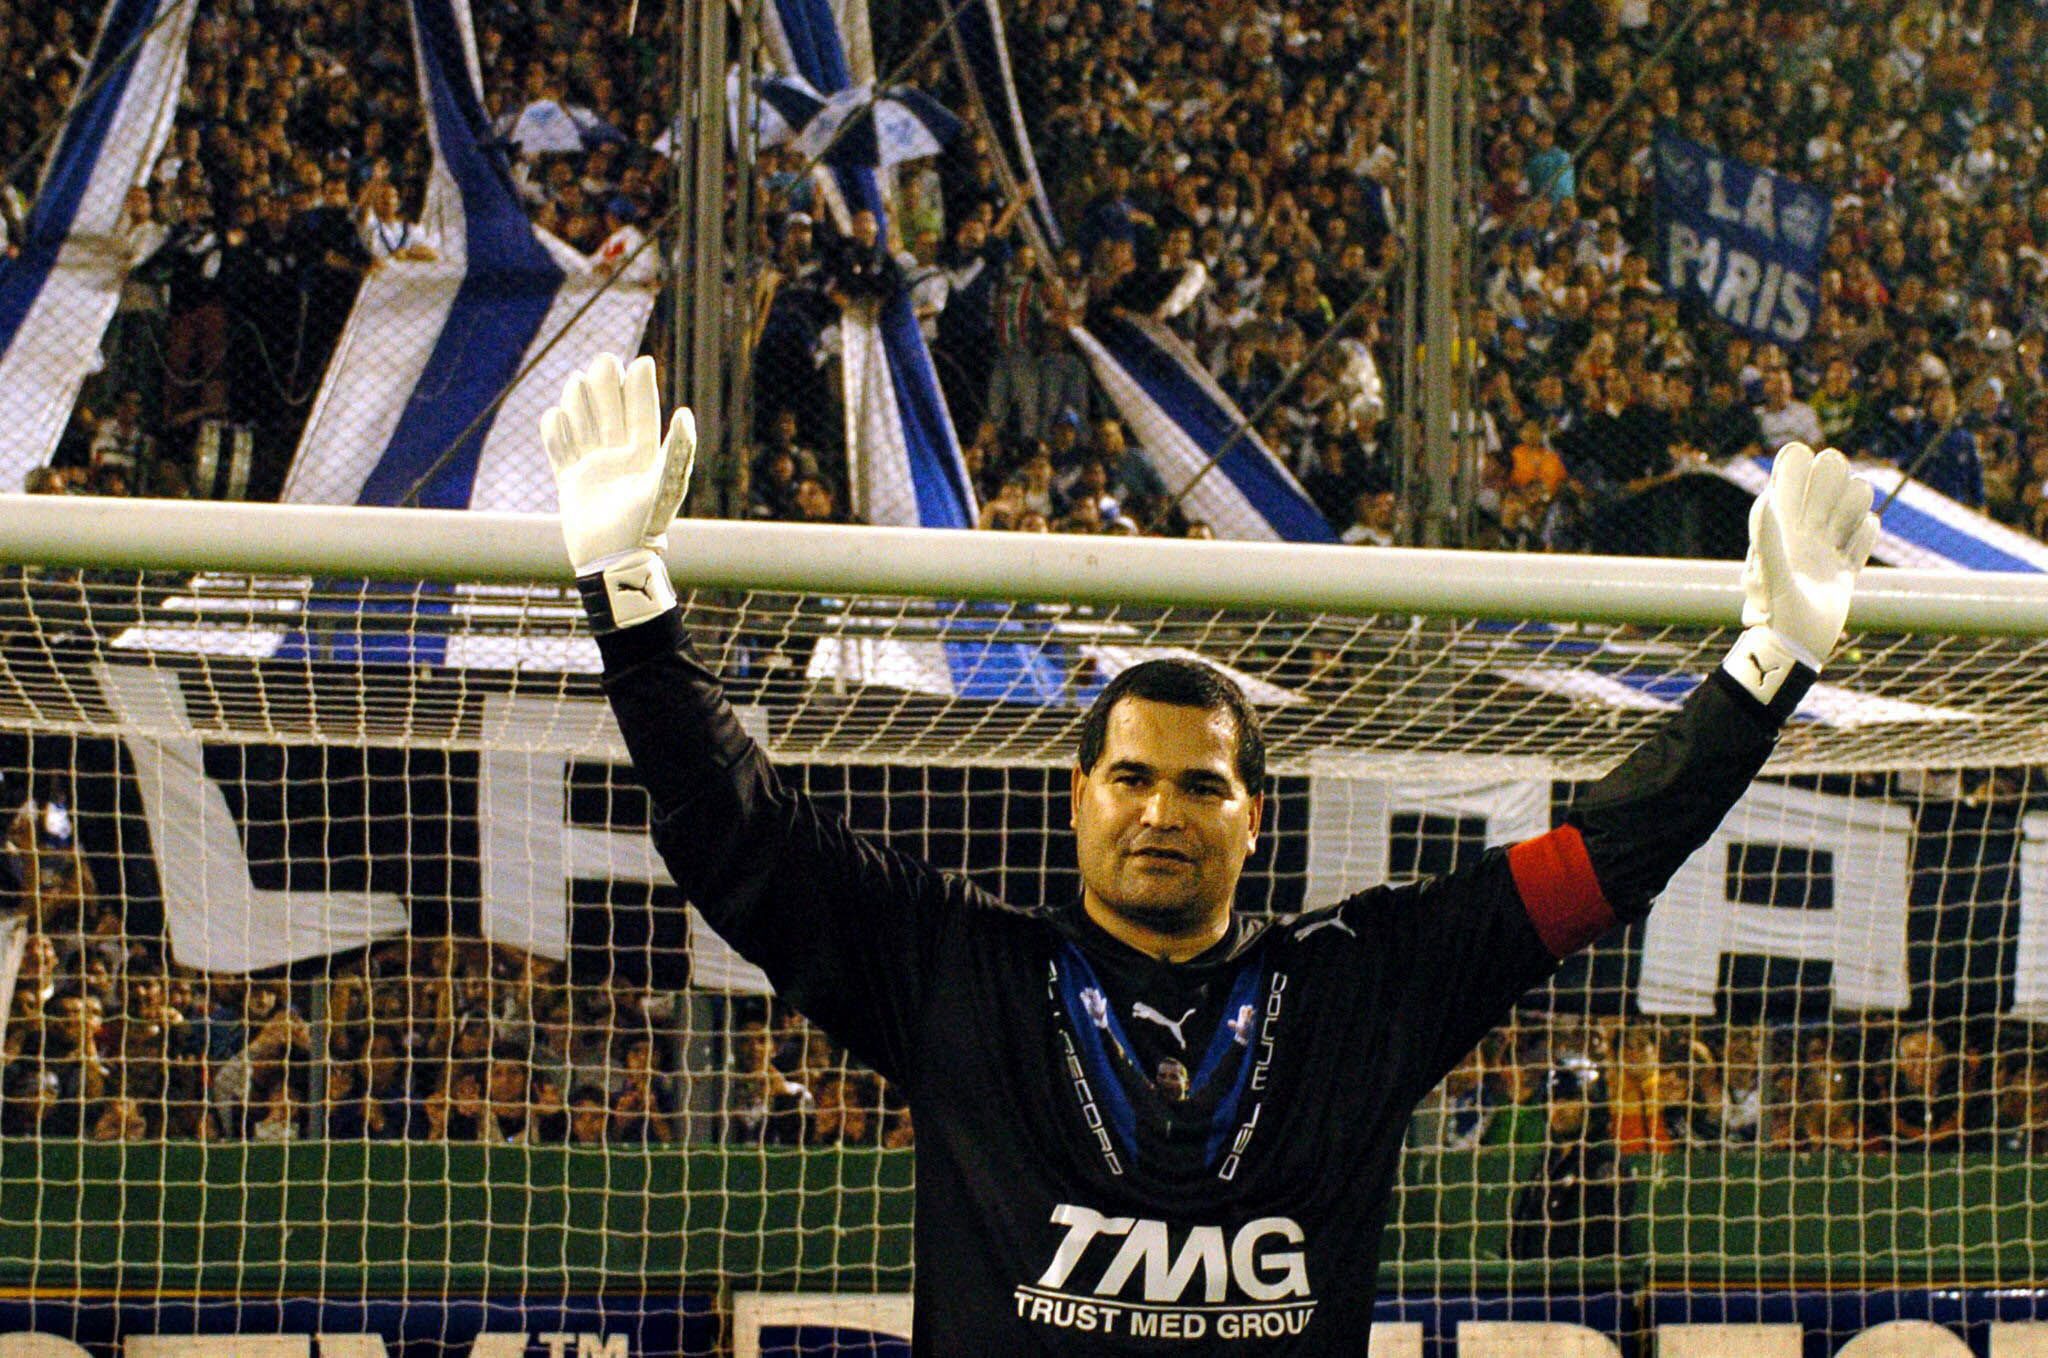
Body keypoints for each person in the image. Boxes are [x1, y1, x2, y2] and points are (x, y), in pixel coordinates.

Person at [539, 353, 1879, 1351]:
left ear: (1256, 814)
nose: (1161, 810)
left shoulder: (1370, 984)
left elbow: (1603, 858)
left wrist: (1766, 669)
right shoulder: (960, 973)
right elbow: (736, 834)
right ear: (1078, 798)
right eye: (1130, 776)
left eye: (1199, 784)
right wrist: (629, 605)